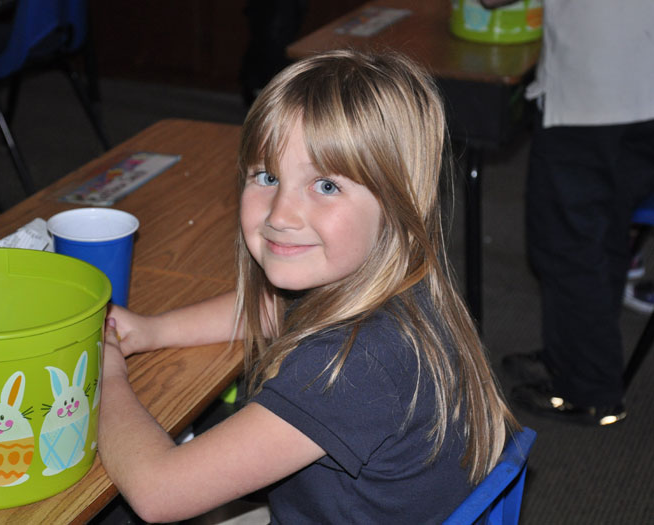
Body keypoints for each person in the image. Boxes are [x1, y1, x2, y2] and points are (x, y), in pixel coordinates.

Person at [99, 49, 519, 523]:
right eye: (267, 176)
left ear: (399, 201)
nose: (280, 214)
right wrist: (151, 331)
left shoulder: (353, 367)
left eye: (326, 186)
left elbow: (159, 492)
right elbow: (270, 308)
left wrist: (105, 373)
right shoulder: (396, 290)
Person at [481, 0, 654, 425]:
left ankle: (588, 390)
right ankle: (570, 358)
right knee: (604, 233)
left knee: (569, 246)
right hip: (641, 88)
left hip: (593, 94)